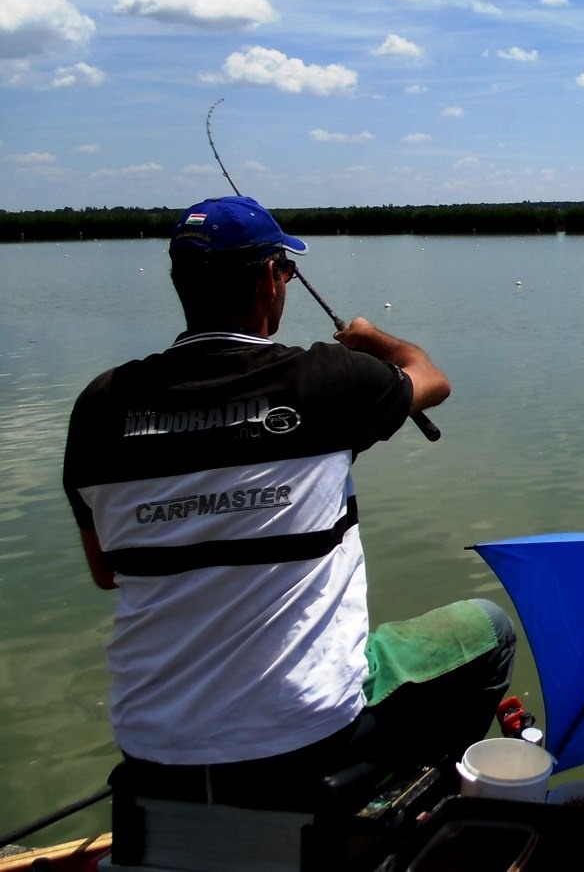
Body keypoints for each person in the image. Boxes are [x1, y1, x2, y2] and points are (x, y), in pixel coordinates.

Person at [62, 195, 515, 811]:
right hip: (305, 738)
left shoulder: (100, 407)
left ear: (179, 282)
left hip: (154, 745)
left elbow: (104, 571)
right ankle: (402, 810)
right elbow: (430, 378)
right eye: (287, 271)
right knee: (489, 629)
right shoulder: (328, 381)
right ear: (272, 277)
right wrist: (370, 340)